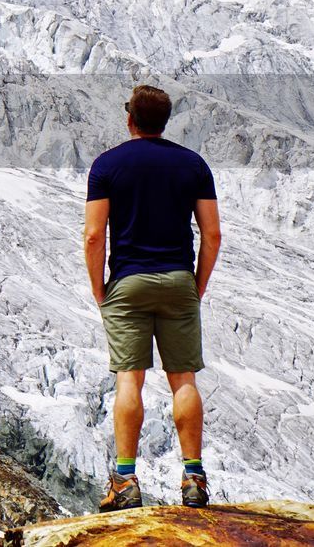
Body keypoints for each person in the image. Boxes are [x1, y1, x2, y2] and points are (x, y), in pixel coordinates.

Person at [84, 85, 221, 512]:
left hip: (127, 282)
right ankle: (193, 477)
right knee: (183, 379)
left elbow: (93, 236)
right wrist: (196, 284)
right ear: (165, 121)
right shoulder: (193, 165)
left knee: (130, 378)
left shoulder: (107, 166)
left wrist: (98, 288)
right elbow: (212, 234)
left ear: (130, 119)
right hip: (179, 278)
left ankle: (125, 481)